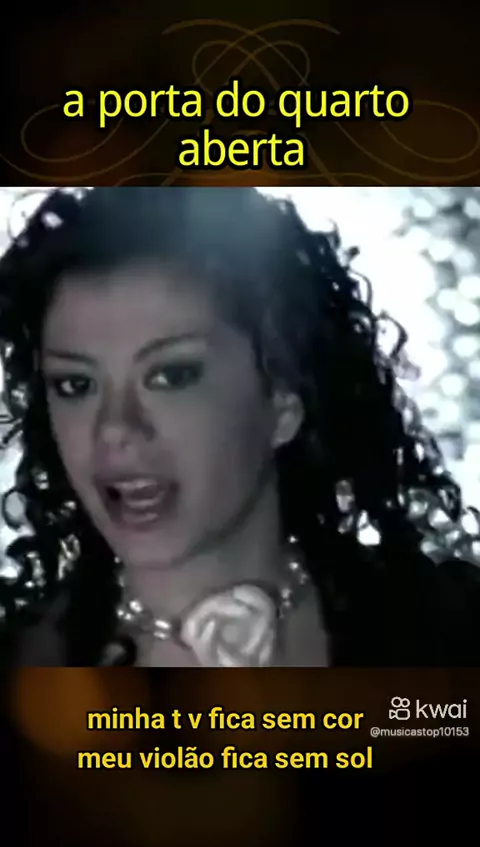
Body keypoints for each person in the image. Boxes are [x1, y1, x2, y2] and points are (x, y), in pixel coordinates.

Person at [0, 186, 479, 667]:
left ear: (283, 399)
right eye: (76, 384)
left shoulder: (453, 629)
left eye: (172, 375)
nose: (115, 428)